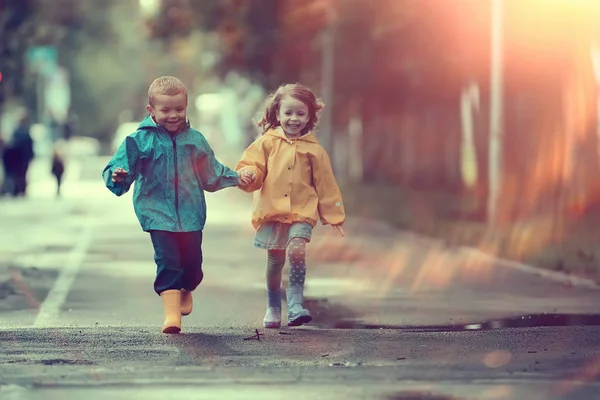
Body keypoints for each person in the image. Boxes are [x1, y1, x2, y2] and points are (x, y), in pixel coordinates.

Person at [102, 76, 252, 334]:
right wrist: (118, 174)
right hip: (157, 213)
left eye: (179, 109)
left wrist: (237, 178)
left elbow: (211, 172)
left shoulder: (195, 140)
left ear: (186, 107)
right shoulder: (139, 141)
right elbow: (118, 169)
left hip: (191, 214)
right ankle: (171, 316)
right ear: (151, 110)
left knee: (192, 266)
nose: (173, 115)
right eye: (166, 110)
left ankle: (187, 287)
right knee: (168, 261)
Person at [235, 83, 346, 329]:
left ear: (309, 117)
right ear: (277, 114)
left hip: (301, 212)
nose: (294, 119)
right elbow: (253, 165)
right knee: (275, 262)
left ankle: (295, 305)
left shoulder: (314, 150)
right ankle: (273, 307)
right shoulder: (266, 143)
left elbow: (325, 184)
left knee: (296, 251)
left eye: (300, 114)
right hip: (272, 212)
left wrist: (334, 215)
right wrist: (249, 174)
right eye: (288, 113)